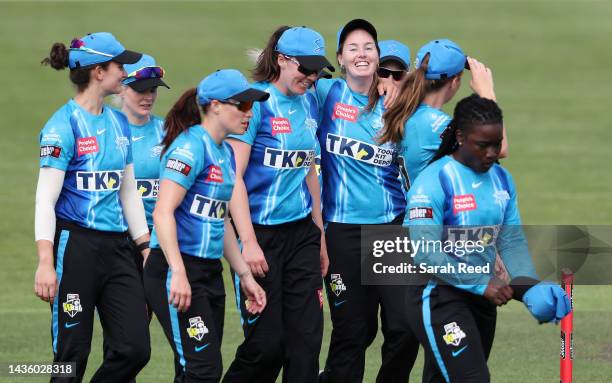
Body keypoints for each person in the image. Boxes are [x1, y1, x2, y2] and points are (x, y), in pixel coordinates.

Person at [404, 94, 571, 382]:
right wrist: (481, 283)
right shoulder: (434, 181)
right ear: (460, 137)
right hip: (437, 297)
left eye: (496, 143)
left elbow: (511, 242)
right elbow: (425, 252)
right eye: (483, 145)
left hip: (482, 298)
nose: (493, 153)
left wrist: (529, 287)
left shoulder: (502, 181)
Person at [34, 32, 151, 381]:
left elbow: (127, 193)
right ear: (99, 71)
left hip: (118, 248)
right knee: (73, 355)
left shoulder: (119, 123)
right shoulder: (61, 126)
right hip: (75, 248)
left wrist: (144, 246)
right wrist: (44, 261)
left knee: (135, 349)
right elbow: (46, 199)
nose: (125, 72)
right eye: (120, 66)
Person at [222, 26, 333, 383]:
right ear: (283, 60)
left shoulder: (310, 102)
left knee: (305, 345)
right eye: (305, 68)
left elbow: (310, 172)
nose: (311, 77)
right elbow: (233, 178)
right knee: (266, 346)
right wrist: (248, 241)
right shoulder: (254, 107)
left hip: (301, 234)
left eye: (317, 70)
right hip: (260, 236)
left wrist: (319, 233)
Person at [143, 69, 269, 383]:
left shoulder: (225, 152)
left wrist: (244, 276)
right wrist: (179, 273)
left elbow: (220, 220)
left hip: (208, 273)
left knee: (198, 370)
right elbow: (162, 213)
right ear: (215, 106)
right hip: (177, 270)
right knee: (204, 370)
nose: (249, 114)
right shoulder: (190, 148)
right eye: (241, 106)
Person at [316, 19, 419, 383]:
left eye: (369, 48)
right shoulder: (327, 95)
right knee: (352, 332)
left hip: (390, 230)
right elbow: (289, 90)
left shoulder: (406, 111)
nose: (362, 54)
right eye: (353, 48)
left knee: (406, 327)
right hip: (342, 232)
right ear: (342, 59)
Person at [380, 39, 508, 189]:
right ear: (454, 82)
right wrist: (488, 94)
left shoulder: (407, 109)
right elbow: (500, 149)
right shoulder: (435, 125)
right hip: (431, 210)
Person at [120, 53, 169, 232]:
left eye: (153, 89)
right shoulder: (106, 130)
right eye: (141, 90)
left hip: (158, 237)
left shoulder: (168, 132)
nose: (148, 97)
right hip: (118, 238)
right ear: (122, 88)